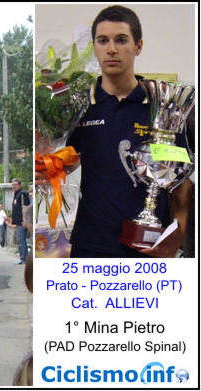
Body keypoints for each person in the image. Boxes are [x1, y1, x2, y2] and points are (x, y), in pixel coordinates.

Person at [63, 5, 191, 258]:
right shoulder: (79, 109)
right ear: (95, 46)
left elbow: (180, 183)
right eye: (103, 41)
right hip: (90, 245)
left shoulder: (163, 107)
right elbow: (65, 163)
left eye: (121, 40)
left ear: (138, 46)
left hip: (148, 248)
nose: (111, 49)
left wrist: (179, 234)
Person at [9, 179, 30, 265]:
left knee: (21, 240)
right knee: (21, 240)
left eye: (15, 184)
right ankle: (24, 257)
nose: (14, 186)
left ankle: (24, 258)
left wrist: (24, 220)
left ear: (20, 185)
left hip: (22, 222)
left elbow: (25, 208)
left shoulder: (22, 195)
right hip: (18, 222)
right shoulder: (16, 195)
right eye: (13, 185)